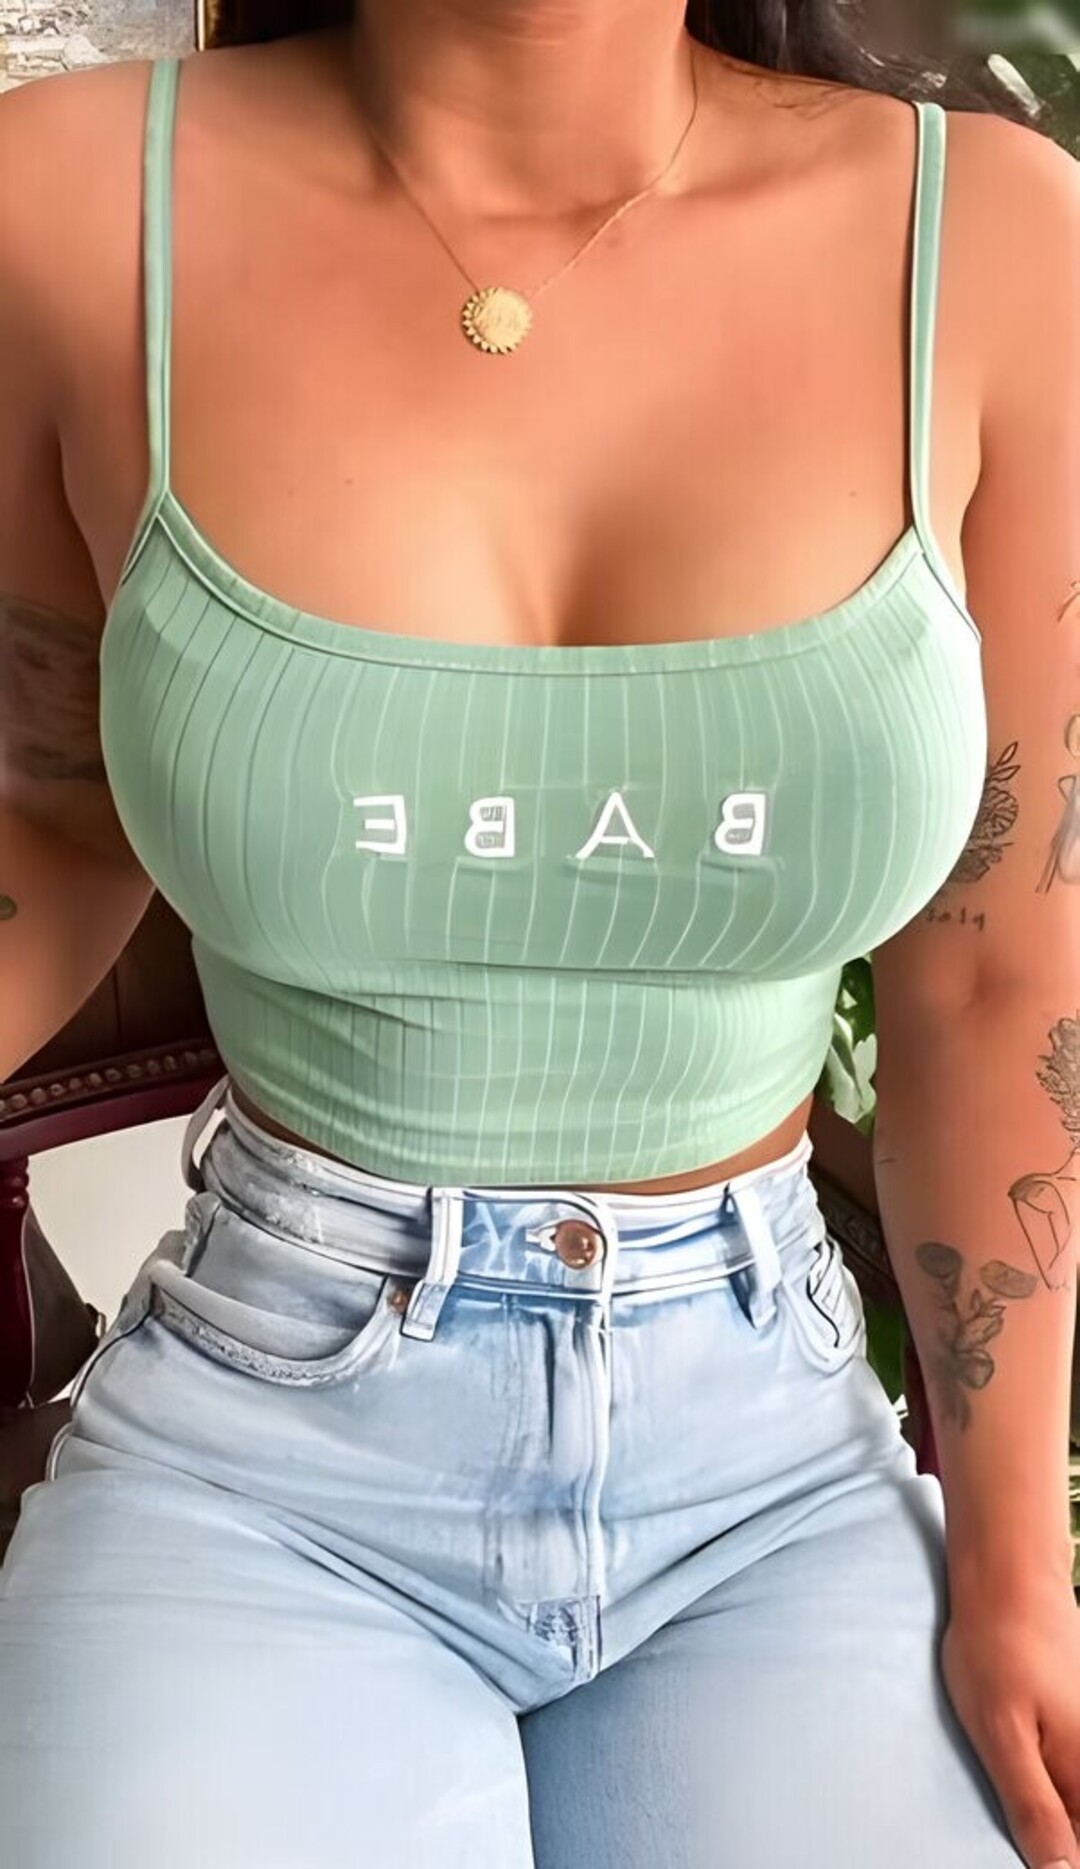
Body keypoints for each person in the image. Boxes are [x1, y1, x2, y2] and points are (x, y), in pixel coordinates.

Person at [0, 5, 1077, 1865]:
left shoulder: (991, 238)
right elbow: (56, 808)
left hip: (775, 1461)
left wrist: (1014, 1565)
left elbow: (997, 980)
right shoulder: (71, 203)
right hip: (257, 1456)